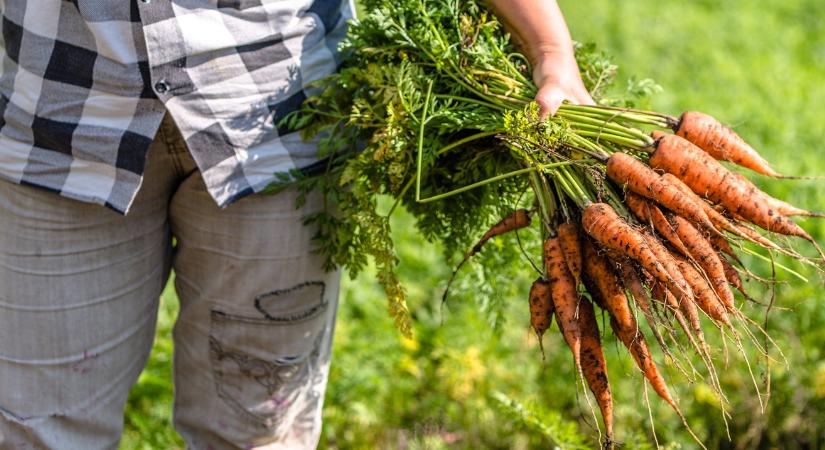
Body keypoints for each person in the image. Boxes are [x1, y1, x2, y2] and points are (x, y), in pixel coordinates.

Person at [0, 0, 592, 448]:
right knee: (36, 430)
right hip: (57, 110)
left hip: (280, 119)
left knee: (256, 428)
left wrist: (551, 52)